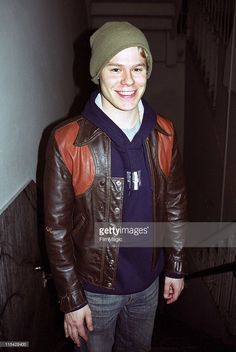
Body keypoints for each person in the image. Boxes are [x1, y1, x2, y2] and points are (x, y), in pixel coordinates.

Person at [44, 21, 187, 352]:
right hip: (94, 292)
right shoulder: (68, 141)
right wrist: (71, 299)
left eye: (137, 68)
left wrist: (176, 265)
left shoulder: (164, 133)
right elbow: (57, 229)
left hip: (148, 284)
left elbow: (176, 203)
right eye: (115, 68)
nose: (128, 81)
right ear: (98, 73)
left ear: (147, 71)